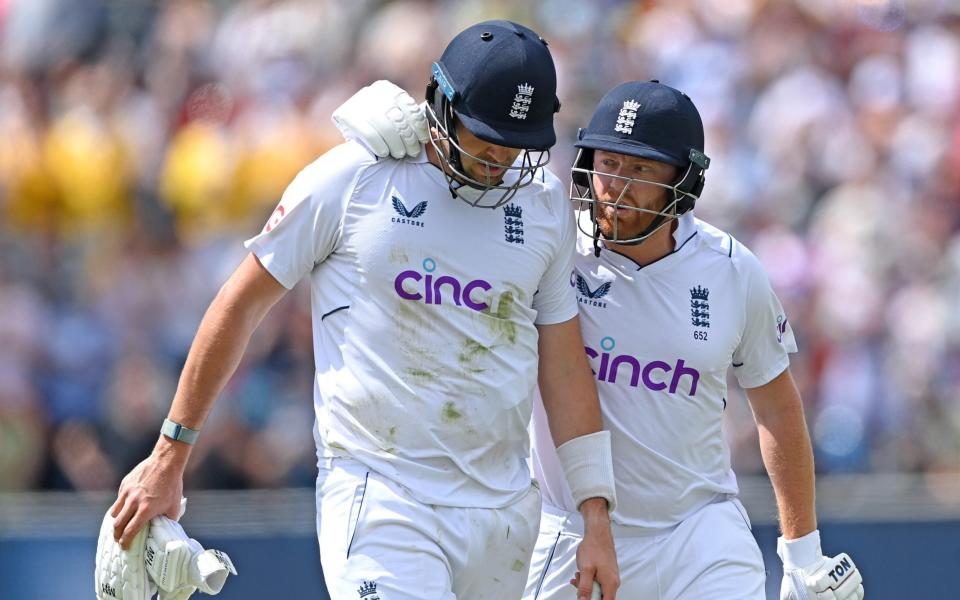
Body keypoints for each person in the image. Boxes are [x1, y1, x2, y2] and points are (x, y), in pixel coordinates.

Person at [107, 20, 620, 600]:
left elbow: (564, 366)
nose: (498, 163)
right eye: (484, 140)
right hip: (381, 494)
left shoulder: (544, 205)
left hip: (503, 513)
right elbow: (240, 304)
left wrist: (594, 514)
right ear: (442, 103)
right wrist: (170, 452)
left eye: (515, 146)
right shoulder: (351, 177)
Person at [333, 80, 864, 599]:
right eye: (608, 163)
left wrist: (803, 553)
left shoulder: (732, 271)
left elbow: (776, 406)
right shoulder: (548, 240)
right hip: (571, 532)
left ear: (685, 182)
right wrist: (397, 129)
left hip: (700, 531)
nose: (618, 185)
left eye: (641, 168)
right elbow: (471, 172)